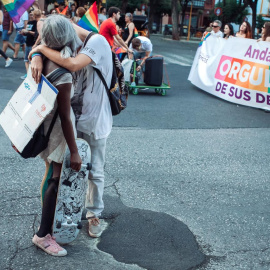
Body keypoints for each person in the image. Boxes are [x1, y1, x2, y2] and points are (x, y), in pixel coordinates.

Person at [29, 21, 113, 239]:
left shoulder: (98, 42)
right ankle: (56, 217)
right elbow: (41, 27)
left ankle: (94, 214)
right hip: (70, 121)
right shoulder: (64, 40)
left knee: (94, 170)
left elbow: (74, 65)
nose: (59, 47)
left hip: (94, 120)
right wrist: (36, 55)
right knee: (62, 172)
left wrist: (39, 49)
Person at [31, 15, 82, 257]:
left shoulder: (40, 59)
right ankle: (43, 235)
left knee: (50, 175)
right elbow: (64, 115)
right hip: (57, 132)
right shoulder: (62, 71)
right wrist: (74, 150)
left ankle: (47, 227)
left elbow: (36, 47)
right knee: (55, 179)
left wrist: (37, 53)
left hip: (44, 125)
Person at [20, 9, 41, 79]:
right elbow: (27, 32)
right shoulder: (29, 23)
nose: (31, 16)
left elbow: (37, 34)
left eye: (32, 14)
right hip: (28, 43)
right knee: (26, 59)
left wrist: (28, 31)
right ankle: (28, 74)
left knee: (32, 60)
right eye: (30, 14)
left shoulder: (37, 23)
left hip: (33, 43)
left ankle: (31, 75)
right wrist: (23, 32)